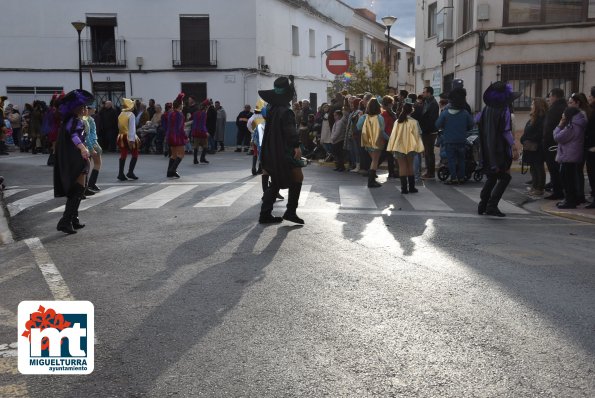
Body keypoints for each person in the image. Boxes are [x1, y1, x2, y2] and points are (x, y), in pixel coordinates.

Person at [258, 75, 304, 224]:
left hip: (271, 149)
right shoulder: (286, 111)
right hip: (283, 150)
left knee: (277, 180)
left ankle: (266, 213)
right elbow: (290, 131)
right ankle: (290, 211)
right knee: (297, 176)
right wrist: (296, 146)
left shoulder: (271, 109)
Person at [53, 89, 94, 234]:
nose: (86, 109)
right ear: (78, 108)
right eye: (83, 107)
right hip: (75, 157)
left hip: (72, 156)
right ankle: (65, 221)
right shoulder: (75, 121)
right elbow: (74, 136)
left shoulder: (70, 120)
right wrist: (83, 148)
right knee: (78, 189)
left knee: (79, 188)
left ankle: (73, 219)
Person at [477, 81, 519, 217]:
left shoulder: (486, 108)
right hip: (499, 149)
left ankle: (483, 204)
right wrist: (513, 146)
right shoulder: (504, 109)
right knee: (505, 177)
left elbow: (477, 122)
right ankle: (492, 205)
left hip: (487, 149)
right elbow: (506, 131)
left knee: (492, 176)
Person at [553, 94, 588, 209]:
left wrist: (560, 125)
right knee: (569, 178)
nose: (563, 116)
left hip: (569, 155)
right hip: (571, 154)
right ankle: (569, 199)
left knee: (567, 179)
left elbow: (558, 137)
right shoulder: (577, 123)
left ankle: (570, 201)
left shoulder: (573, 126)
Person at [435, 88, 474, 184]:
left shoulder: (445, 114)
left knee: (451, 160)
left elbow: (437, 125)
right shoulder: (465, 113)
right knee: (461, 159)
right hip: (461, 140)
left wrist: (445, 127)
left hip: (449, 140)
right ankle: (461, 177)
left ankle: (453, 178)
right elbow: (471, 125)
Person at [387, 99, 425, 194]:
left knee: (402, 167)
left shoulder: (397, 121)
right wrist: (421, 148)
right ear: (412, 110)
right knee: (410, 166)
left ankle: (404, 188)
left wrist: (391, 147)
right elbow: (418, 135)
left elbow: (393, 135)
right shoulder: (414, 122)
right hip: (411, 147)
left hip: (399, 146)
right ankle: (411, 187)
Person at [520, 98, 548, 196]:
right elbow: (527, 131)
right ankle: (534, 186)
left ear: (538, 106)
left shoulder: (541, 118)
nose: (531, 106)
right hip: (530, 147)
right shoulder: (533, 117)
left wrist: (527, 139)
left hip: (537, 147)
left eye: (533, 104)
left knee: (538, 168)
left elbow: (539, 133)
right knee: (533, 168)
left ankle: (539, 188)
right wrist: (523, 139)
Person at [543, 88, 567, 200]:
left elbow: (549, 127)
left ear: (555, 96)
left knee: (554, 168)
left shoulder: (555, 109)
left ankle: (558, 192)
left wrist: (546, 141)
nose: (549, 98)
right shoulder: (563, 107)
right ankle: (558, 189)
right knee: (556, 168)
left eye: (550, 96)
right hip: (557, 142)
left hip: (552, 143)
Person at [357, 98, 386, 188]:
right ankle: (371, 181)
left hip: (367, 141)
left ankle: (372, 180)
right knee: (375, 160)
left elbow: (358, 127)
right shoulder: (380, 117)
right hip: (377, 142)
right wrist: (389, 138)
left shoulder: (364, 117)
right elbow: (382, 131)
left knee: (373, 160)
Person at [116, 98, 140, 181]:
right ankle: (130, 172)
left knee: (123, 154)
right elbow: (132, 128)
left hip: (121, 136)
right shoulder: (131, 115)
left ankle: (120, 173)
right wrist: (131, 139)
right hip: (129, 136)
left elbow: (119, 126)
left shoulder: (121, 114)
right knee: (135, 154)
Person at [419, 86, 440, 179]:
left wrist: (425, 130)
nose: (423, 94)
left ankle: (430, 173)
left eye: (424, 92)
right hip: (426, 131)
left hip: (430, 132)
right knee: (427, 153)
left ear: (429, 93)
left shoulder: (433, 104)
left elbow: (431, 119)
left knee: (429, 152)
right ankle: (429, 171)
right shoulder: (426, 102)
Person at [166, 94, 188, 178]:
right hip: (177, 137)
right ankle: (173, 170)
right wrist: (186, 137)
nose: (183, 105)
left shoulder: (171, 113)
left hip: (170, 136)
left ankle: (169, 172)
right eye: (182, 104)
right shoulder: (180, 114)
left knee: (173, 154)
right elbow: (180, 129)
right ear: (179, 105)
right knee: (181, 154)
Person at [84, 105, 102, 194]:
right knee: (97, 163)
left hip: (86, 144)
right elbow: (90, 135)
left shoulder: (85, 118)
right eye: (93, 108)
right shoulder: (88, 119)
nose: (95, 109)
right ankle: (90, 184)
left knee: (87, 166)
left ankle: (87, 185)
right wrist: (93, 146)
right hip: (91, 144)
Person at [586, 87, 595, 208]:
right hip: (590, 146)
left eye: (591, 96)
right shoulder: (591, 110)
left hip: (593, 147)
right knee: (591, 173)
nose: (589, 98)